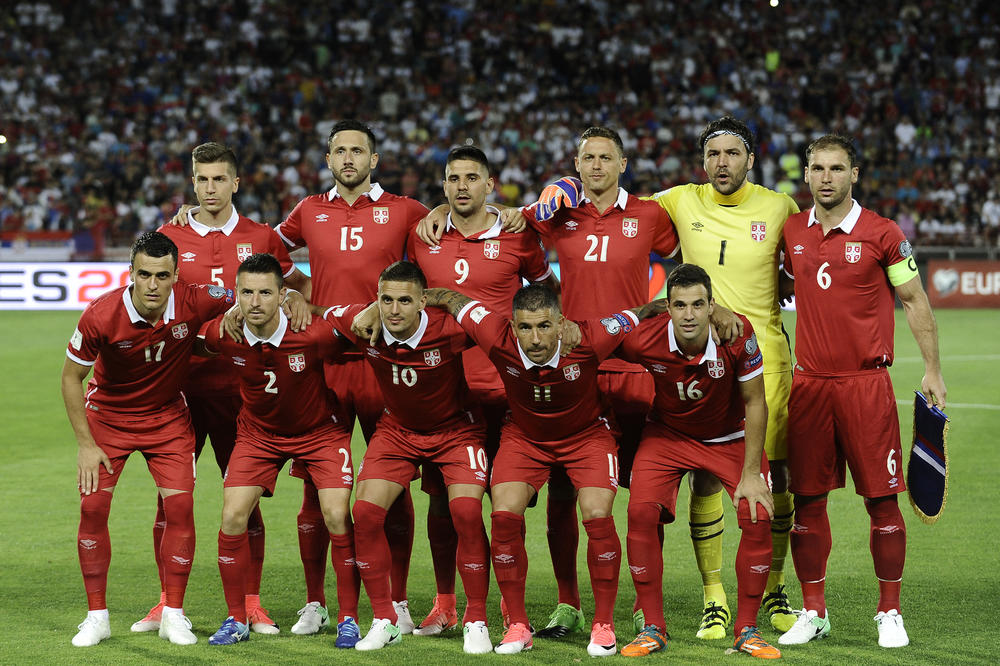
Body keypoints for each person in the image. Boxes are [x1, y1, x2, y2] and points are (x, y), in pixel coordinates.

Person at [424, 281, 669, 657]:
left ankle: (603, 624)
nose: (535, 338)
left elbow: (635, 316)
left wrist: (667, 306)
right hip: (525, 438)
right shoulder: (496, 336)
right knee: (503, 515)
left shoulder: (588, 338)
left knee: (598, 514)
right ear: (512, 325)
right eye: (525, 327)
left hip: (588, 436)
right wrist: (432, 295)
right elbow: (460, 302)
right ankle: (519, 625)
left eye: (543, 326)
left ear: (560, 322)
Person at [128, 142, 311, 637]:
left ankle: (251, 603)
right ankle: (166, 603)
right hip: (180, 392)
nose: (209, 188)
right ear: (193, 182)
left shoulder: (261, 237)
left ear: (236, 182)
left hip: (241, 392)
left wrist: (293, 298)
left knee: (243, 500)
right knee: (170, 501)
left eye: (218, 179)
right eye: (201, 180)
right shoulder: (169, 235)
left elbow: (301, 287)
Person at [778, 134, 946, 649]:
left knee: (882, 501)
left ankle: (889, 612)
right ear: (805, 175)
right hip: (808, 385)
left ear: (855, 175)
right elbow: (778, 292)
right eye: (817, 168)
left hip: (865, 386)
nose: (826, 177)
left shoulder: (883, 234)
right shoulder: (791, 232)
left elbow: (914, 300)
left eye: (836, 168)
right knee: (807, 501)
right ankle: (813, 611)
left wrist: (933, 371)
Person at [646, 116, 801, 638]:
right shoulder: (679, 199)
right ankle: (714, 596)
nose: (722, 163)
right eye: (714, 154)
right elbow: (610, 197)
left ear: (751, 159)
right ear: (702, 160)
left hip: (768, 362)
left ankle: (774, 585)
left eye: (733, 153)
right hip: (703, 359)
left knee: (775, 475)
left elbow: (798, 269)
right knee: (708, 474)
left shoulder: (780, 207)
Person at [274, 120, 430, 636]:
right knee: (316, 488)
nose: (347, 158)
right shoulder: (308, 210)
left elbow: (449, 240)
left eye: (356, 150)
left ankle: (400, 602)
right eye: (339, 150)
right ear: (327, 158)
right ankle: (316, 602)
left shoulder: (406, 210)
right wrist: (297, 291)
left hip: (388, 363)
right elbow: (268, 251)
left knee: (395, 483)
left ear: (374, 158)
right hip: (326, 364)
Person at [404, 146, 557, 635]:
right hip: (446, 393)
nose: (462, 186)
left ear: (490, 184)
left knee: (510, 505)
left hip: (509, 391)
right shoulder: (422, 237)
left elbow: (546, 294)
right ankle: (447, 601)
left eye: (472, 177)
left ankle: (514, 609)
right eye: (453, 178)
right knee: (445, 502)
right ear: (444, 185)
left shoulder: (517, 235)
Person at [61, 231, 235, 647]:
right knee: (94, 508)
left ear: (176, 275)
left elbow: (247, 293)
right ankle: (97, 617)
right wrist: (86, 445)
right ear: (130, 274)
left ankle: (173, 613)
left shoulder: (197, 298)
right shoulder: (100, 315)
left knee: (181, 507)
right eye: (144, 275)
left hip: (167, 419)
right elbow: (71, 378)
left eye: (162, 275)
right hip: (108, 419)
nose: (152, 285)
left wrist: (287, 298)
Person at [320, 260, 493, 654]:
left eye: (403, 301)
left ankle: (476, 619)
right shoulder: (366, 324)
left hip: (457, 431)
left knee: (465, 511)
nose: (394, 310)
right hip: (398, 432)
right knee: (364, 513)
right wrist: (295, 296)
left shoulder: (449, 329)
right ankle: (386, 618)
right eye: (385, 300)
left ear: (422, 303)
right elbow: (321, 314)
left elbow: (497, 328)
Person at [615, 263, 780, 659]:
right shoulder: (643, 340)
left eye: (698, 305)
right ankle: (653, 628)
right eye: (679, 305)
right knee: (639, 513)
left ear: (711, 307)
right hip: (667, 435)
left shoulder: (737, 336)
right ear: (667, 307)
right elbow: (595, 341)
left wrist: (753, 472)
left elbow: (756, 401)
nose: (688, 314)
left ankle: (747, 630)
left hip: (729, 436)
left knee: (756, 512)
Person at [195, 253, 355, 645]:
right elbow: (188, 340)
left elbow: (363, 327)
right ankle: (236, 620)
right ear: (235, 294)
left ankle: (349, 617)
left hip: (319, 433)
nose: (254, 302)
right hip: (258, 435)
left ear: (283, 295)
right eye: (246, 293)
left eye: (265, 293)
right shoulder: (224, 333)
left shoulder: (313, 332)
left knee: (336, 515)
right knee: (232, 517)